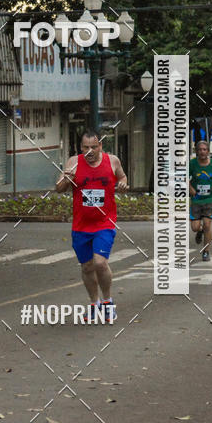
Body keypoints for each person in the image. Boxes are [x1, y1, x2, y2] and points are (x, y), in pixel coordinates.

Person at [55, 129, 128, 323]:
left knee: (100, 263)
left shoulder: (112, 161)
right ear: (81, 147)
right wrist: (66, 179)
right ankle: (94, 304)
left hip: (105, 222)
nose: (89, 151)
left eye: (93, 147)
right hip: (81, 225)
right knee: (87, 267)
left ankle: (107, 302)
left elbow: (122, 177)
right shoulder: (74, 162)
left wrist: (122, 183)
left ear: (100, 146)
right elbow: (59, 188)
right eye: (86, 147)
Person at [189, 140, 212, 262]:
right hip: (196, 199)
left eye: (204, 149)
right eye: (200, 149)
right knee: (195, 227)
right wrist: (191, 189)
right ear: (196, 151)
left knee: (207, 225)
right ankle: (199, 232)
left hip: (210, 199)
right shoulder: (192, 163)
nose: (202, 152)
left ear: (208, 151)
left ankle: (206, 251)